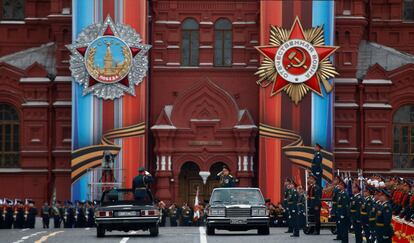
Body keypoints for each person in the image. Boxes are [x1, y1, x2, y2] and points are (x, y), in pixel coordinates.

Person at [336, 178, 350, 243]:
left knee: (344, 229)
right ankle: (343, 240)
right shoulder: (340, 193)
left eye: (340, 185)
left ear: (343, 186)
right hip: (340, 212)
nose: (339, 186)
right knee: (341, 228)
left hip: (343, 214)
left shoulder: (345, 194)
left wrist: (343, 214)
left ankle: (345, 241)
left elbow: (345, 205)